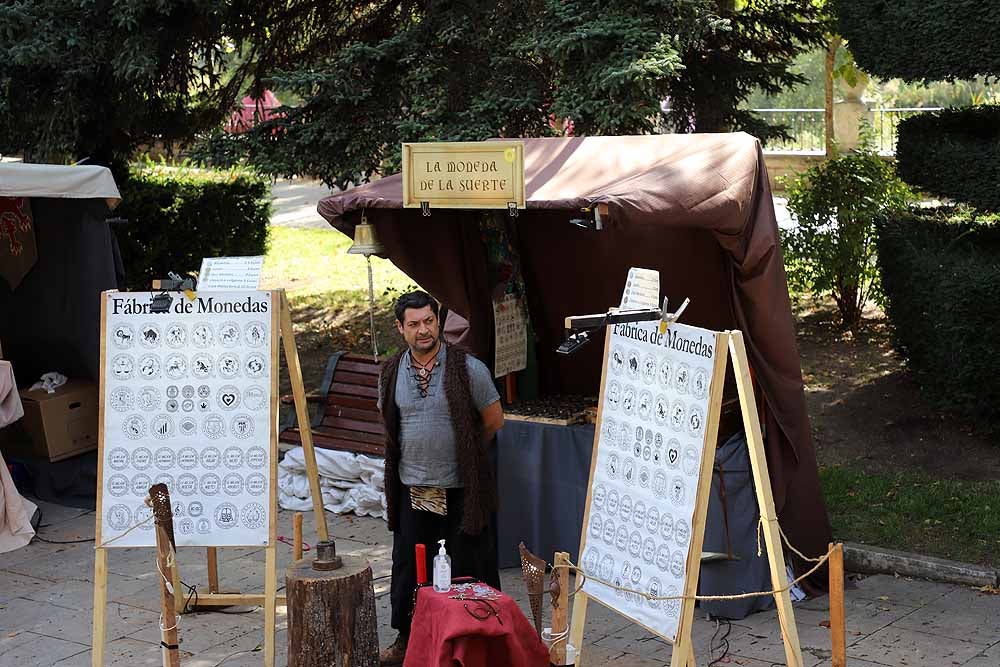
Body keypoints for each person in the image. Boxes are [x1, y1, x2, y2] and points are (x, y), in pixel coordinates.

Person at [378, 290, 504, 666]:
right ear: (400, 328)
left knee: (468, 564)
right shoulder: (390, 372)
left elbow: (494, 419)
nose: (423, 330)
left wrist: (465, 451)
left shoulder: (468, 369)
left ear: (438, 321)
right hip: (414, 487)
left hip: (462, 488)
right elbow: (390, 424)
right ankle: (407, 637)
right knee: (411, 566)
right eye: (414, 324)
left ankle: (480, 640)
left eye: (429, 321)